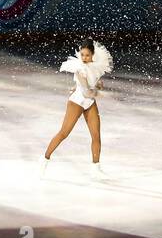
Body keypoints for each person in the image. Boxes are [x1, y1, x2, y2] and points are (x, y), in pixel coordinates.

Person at [41, 40, 114, 180]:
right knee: (63, 133)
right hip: (77, 102)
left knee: (96, 136)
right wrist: (96, 91)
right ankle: (44, 159)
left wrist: (98, 86)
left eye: (87, 55)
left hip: (90, 103)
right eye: (82, 55)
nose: (84, 58)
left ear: (93, 55)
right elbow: (87, 91)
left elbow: (94, 84)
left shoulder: (96, 67)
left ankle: (96, 168)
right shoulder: (80, 69)